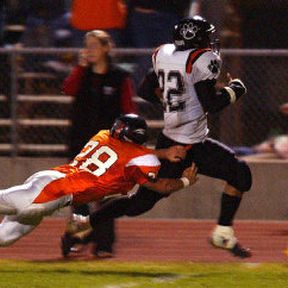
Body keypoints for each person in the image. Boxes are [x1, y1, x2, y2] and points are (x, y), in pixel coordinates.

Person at [0, 114, 198, 269]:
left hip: (54, 184)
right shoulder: (142, 157)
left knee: (5, 236)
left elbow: (128, 154)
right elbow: (158, 184)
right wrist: (186, 182)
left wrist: (161, 152)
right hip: (56, 190)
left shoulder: (104, 135)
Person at [65, 16, 252, 258]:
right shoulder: (201, 59)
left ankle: (223, 233)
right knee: (138, 204)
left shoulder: (166, 54)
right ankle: (87, 223)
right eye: (206, 38)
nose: (210, 43)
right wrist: (236, 89)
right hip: (179, 146)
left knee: (240, 174)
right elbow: (211, 103)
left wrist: (172, 102)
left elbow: (145, 89)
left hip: (191, 141)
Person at [62, 29, 135, 257]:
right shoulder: (82, 74)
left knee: (105, 197)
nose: (89, 50)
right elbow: (68, 89)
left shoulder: (119, 77)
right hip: (81, 145)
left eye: (94, 45)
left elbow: (129, 110)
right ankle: (77, 239)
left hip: (108, 148)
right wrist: (80, 67)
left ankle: (104, 243)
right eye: (87, 45)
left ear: (106, 48)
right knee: (79, 196)